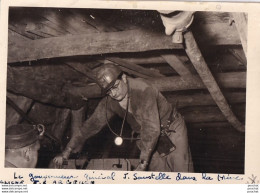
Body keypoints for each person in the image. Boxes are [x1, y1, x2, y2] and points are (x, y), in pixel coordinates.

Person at [54, 64, 193, 172]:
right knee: (158, 178)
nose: (113, 93)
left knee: (183, 175)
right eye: (108, 91)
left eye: (115, 86)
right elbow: (89, 126)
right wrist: (67, 151)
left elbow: (151, 128)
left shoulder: (143, 89)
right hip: (147, 137)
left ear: (124, 78)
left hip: (172, 129)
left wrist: (143, 161)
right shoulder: (109, 102)